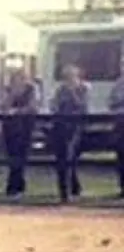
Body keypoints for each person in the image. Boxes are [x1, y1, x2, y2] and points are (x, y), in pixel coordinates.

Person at [50, 64, 89, 203]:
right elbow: (54, 106)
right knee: (62, 158)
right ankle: (65, 191)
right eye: (66, 76)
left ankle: (70, 190)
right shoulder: (60, 90)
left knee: (70, 157)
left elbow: (82, 106)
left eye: (71, 76)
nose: (68, 79)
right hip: (60, 126)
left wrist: (72, 92)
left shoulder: (83, 88)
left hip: (75, 127)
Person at [0, 69, 40, 199]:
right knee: (12, 156)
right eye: (17, 77)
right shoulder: (7, 89)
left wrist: (18, 111)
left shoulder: (32, 89)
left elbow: (33, 106)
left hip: (25, 126)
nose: (20, 80)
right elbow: (4, 107)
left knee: (22, 155)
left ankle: (17, 187)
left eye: (23, 77)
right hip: (10, 127)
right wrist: (12, 94)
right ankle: (13, 187)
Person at [108, 60, 124, 197]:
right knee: (121, 154)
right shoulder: (118, 84)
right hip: (120, 122)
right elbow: (112, 102)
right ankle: (123, 187)